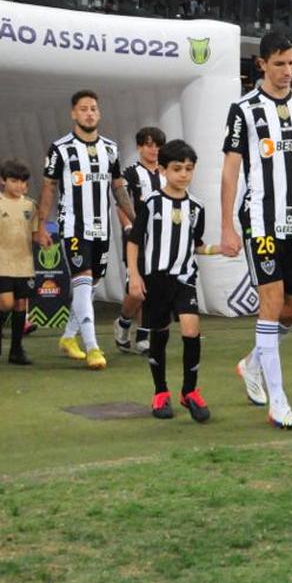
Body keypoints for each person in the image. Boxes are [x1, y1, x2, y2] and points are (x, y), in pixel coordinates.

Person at [221, 32, 292, 429]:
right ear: (262, 64)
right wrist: (228, 226)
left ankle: (252, 363)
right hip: (261, 219)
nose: (287, 71)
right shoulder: (244, 110)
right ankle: (279, 402)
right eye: (279, 64)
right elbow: (231, 169)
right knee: (270, 305)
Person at [37, 90, 134, 369]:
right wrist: (41, 224)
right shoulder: (60, 148)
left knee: (90, 285)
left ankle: (68, 337)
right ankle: (93, 347)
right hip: (74, 227)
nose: (89, 113)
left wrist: (135, 219)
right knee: (83, 279)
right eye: (83, 109)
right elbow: (49, 187)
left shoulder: (110, 148)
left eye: (93, 108)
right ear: (73, 114)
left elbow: (118, 187)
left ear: (99, 113)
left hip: (101, 229)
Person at [126, 139, 212, 422]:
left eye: (189, 168)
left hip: (184, 277)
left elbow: (195, 244)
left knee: (191, 329)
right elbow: (135, 242)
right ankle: (160, 391)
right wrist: (135, 276)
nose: (184, 174)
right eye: (177, 169)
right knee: (159, 335)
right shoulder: (150, 203)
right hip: (155, 280)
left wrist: (216, 249)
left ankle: (190, 391)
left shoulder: (197, 207)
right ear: (163, 170)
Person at [114, 126, 165, 355]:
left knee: (154, 289)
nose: (153, 149)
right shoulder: (131, 174)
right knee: (136, 291)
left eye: (157, 145)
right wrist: (128, 228)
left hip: (163, 241)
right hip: (138, 241)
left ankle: (143, 335)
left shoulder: (167, 173)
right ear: (139, 147)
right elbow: (121, 204)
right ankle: (124, 322)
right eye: (148, 144)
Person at [0, 160, 38, 366]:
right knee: (5, 302)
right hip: (2, 262)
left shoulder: (31, 205)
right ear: (3, 181)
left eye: (23, 182)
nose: (19, 186)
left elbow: (35, 233)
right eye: (14, 181)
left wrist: (45, 239)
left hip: (24, 263)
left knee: (21, 304)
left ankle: (16, 349)